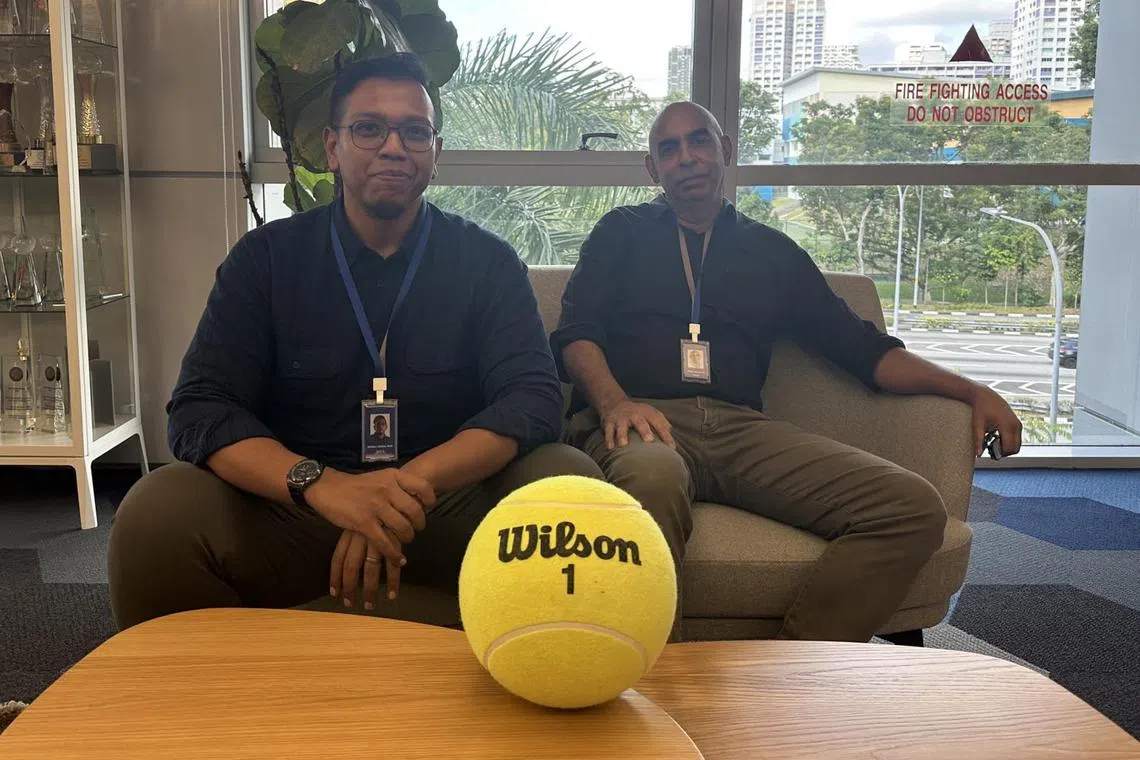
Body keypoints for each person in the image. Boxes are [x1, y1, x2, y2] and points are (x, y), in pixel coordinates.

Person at [108, 53, 601, 630]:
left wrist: (399, 490)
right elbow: (201, 409)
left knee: (570, 485)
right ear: (333, 147)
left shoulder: (486, 262)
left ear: (435, 154)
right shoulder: (266, 261)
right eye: (369, 128)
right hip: (298, 511)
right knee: (156, 513)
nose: (394, 146)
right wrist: (326, 488)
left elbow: (532, 399)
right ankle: (202, 707)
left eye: (414, 131)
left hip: (442, 509)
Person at [551, 102, 1023, 642]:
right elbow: (575, 334)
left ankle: (790, 676)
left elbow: (866, 352)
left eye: (699, 141)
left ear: (725, 150)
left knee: (910, 506)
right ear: (652, 168)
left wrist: (971, 389)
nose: (687, 158)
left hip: (738, 428)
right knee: (652, 481)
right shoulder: (620, 232)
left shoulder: (770, 251)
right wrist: (615, 403)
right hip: (640, 422)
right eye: (669, 148)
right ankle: (659, 689)